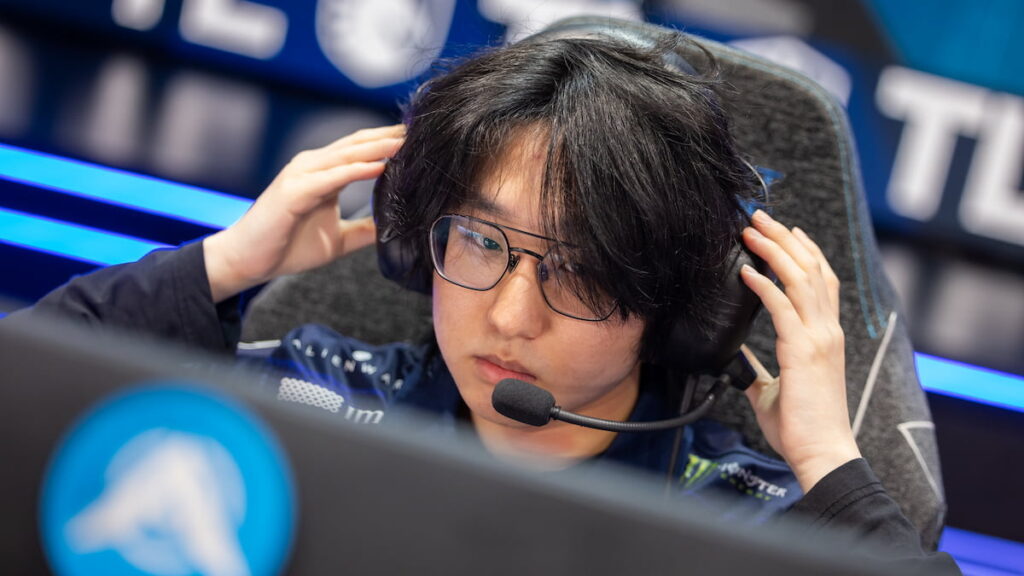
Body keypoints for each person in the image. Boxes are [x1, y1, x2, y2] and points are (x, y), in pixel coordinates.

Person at [19, 25, 959, 572]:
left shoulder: (749, 528)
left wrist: (830, 463)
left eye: (582, 272)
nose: (510, 316)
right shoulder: (310, 398)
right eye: (479, 239)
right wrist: (220, 266)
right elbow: (24, 427)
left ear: (676, 306)